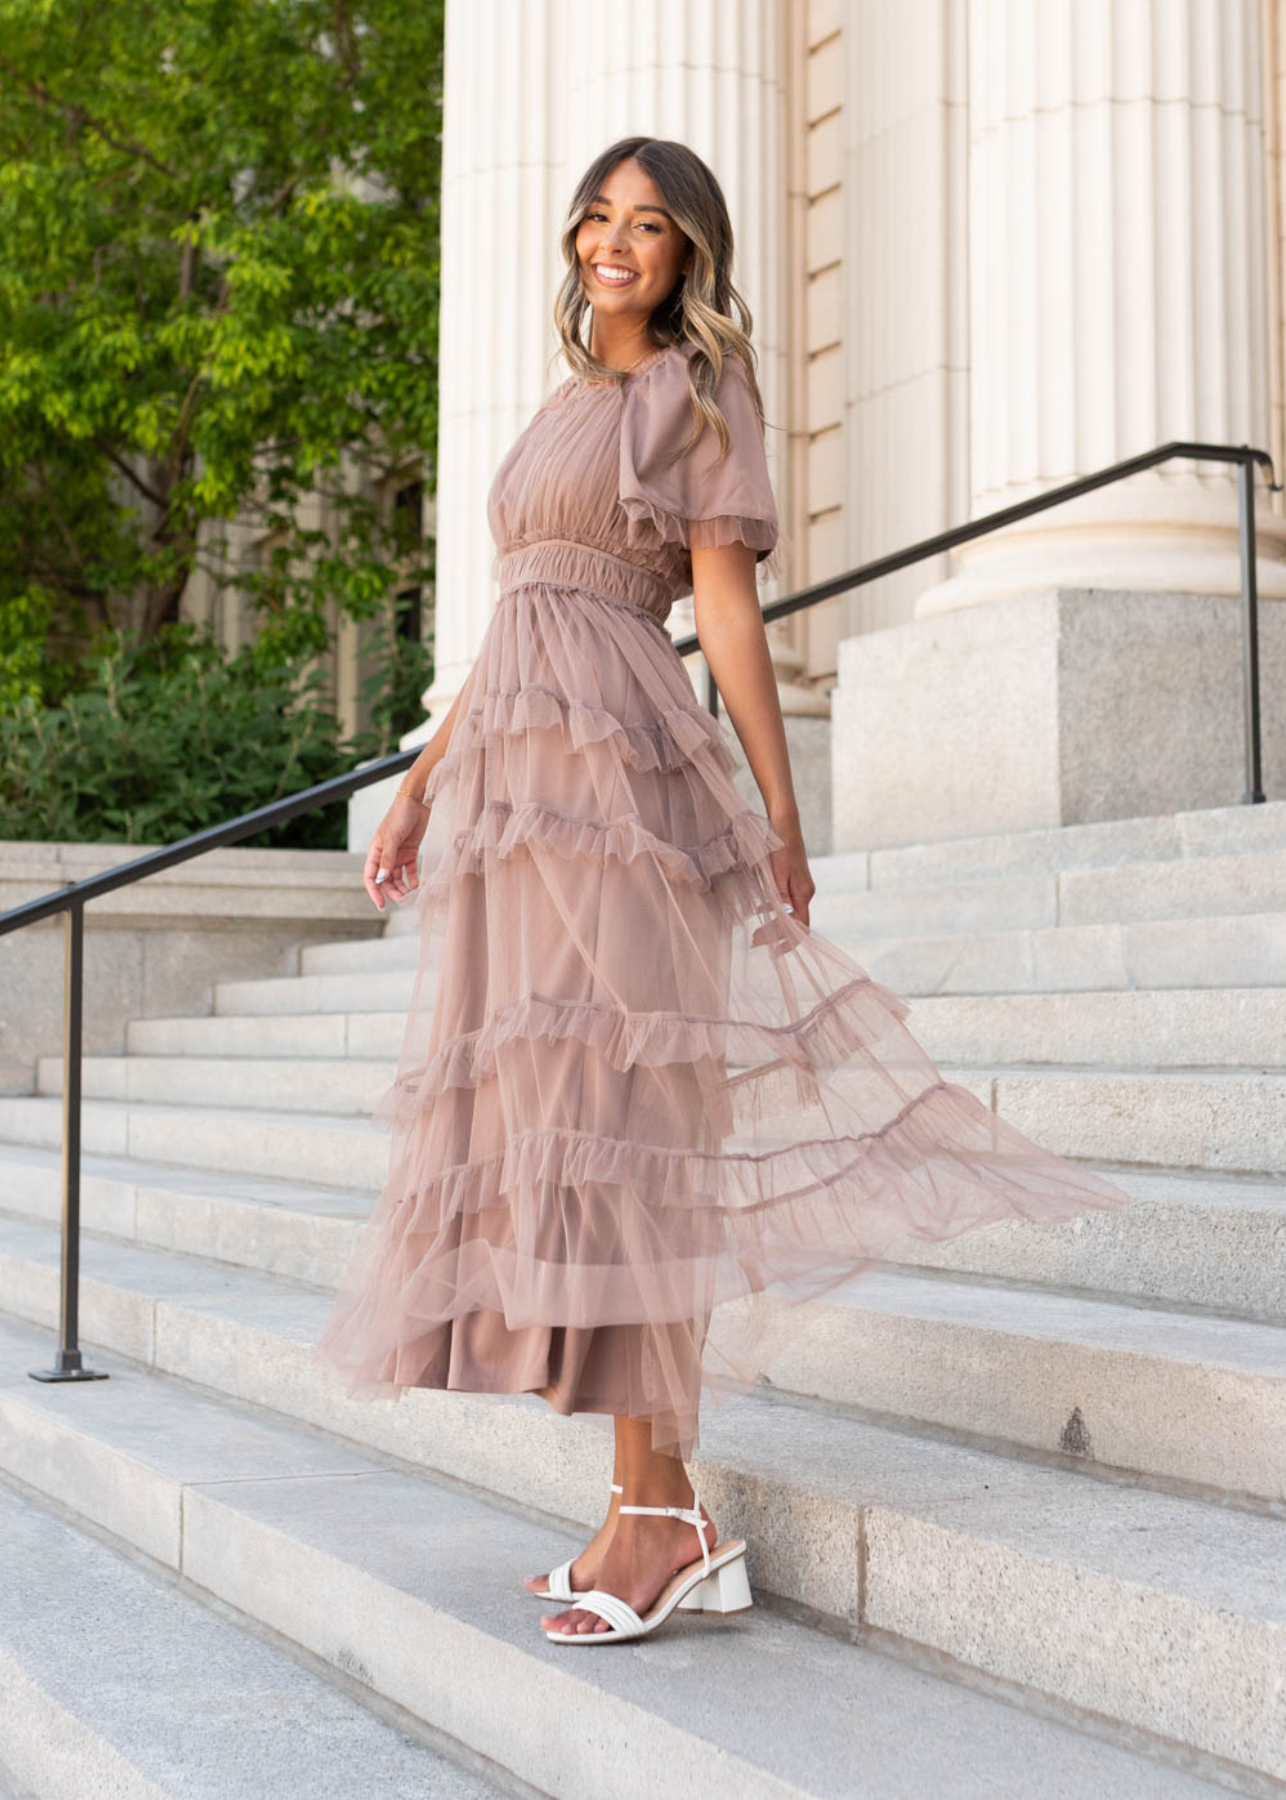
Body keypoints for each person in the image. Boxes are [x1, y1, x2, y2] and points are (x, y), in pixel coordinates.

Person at [313, 136, 1132, 1645]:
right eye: (600, 218)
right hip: (512, 808)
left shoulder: (699, 395)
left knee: (628, 1141)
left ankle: (666, 1518)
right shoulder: (569, 404)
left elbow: (732, 617)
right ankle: (645, 1512)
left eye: (650, 225)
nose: (617, 243)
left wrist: (777, 802)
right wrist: (420, 790)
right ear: (576, 238)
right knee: (557, 1142)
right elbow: (510, 627)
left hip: (625, 792)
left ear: (690, 253)